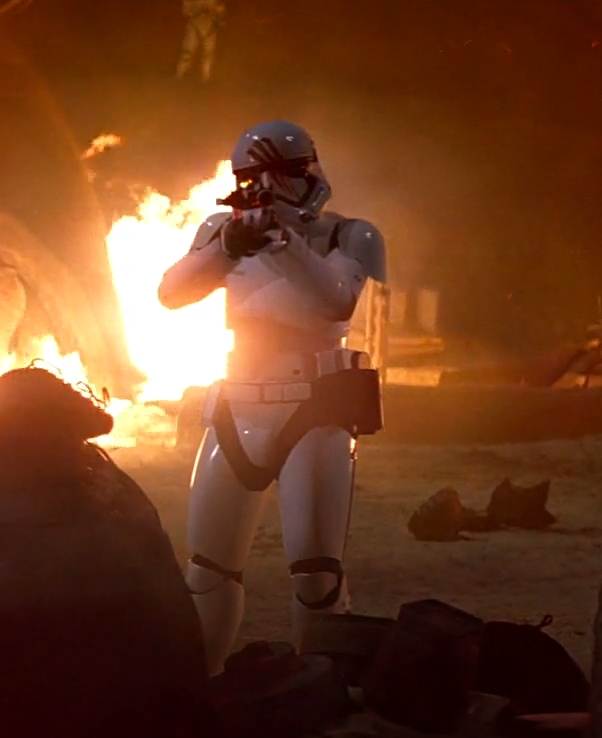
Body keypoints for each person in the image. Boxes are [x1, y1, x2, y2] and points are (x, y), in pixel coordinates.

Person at [159, 120, 387, 672]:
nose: (271, 190)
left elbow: (335, 300)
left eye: (285, 175)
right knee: (207, 570)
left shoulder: (350, 235)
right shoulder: (222, 230)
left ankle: (319, 689)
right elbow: (172, 293)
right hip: (238, 402)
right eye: (256, 178)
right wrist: (228, 248)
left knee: (315, 576)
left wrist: (281, 245)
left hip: (315, 406)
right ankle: (203, 687)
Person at [176, 0, 227, 81]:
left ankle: (205, 77)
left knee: (206, 54)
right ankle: (180, 74)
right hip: (196, 26)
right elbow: (186, 11)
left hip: (209, 27)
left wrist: (217, 19)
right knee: (188, 52)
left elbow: (220, 11)